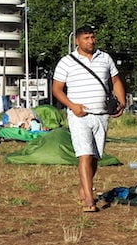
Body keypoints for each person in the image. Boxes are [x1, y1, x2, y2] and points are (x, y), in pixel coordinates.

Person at [51, 25, 126, 213]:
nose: (91, 41)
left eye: (92, 37)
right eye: (86, 38)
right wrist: (72, 106)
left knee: (94, 157)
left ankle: (83, 189)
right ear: (77, 41)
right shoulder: (66, 62)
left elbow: (115, 80)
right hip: (79, 115)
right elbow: (57, 89)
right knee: (84, 154)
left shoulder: (105, 58)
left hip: (101, 115)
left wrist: (122, 102)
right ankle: (89, 200)